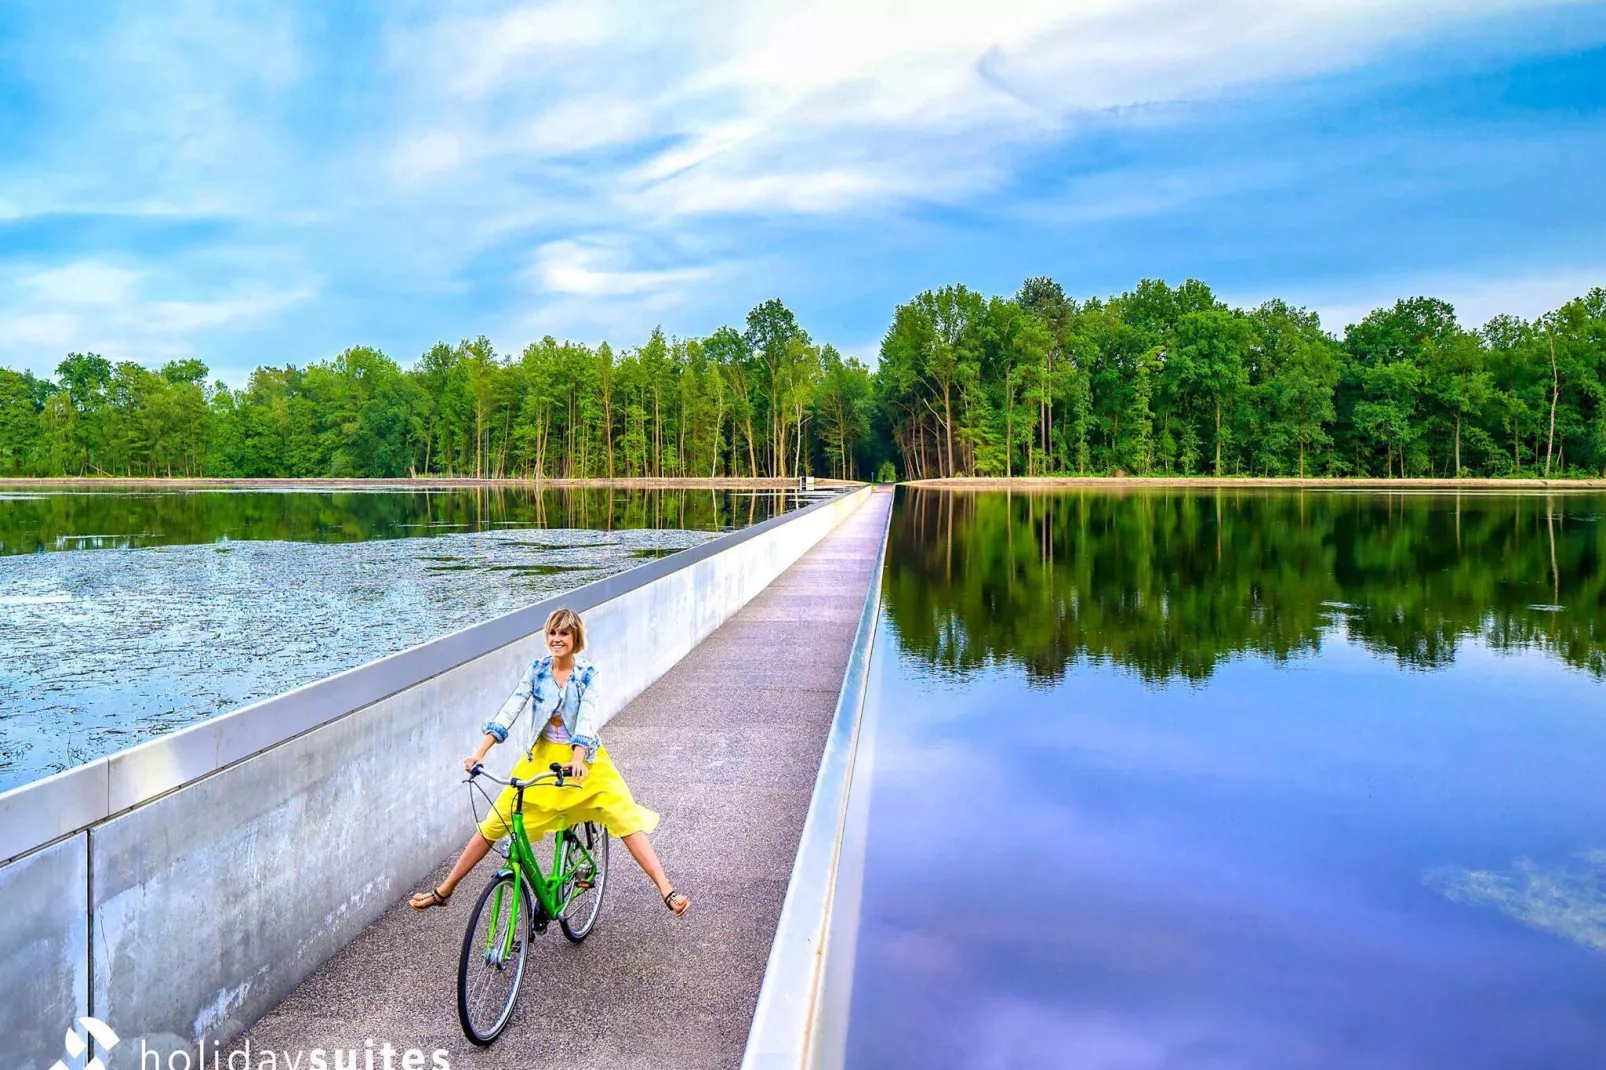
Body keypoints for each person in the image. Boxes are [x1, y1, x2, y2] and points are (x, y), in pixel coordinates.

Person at [409, 607, 691, 917]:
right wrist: (480, 753)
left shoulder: (587, 675)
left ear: (575, 637)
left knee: (624, 818)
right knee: (494, 823)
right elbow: (511, 709)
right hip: (541, 759)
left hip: (583, 762)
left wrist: (579, 758)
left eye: (564, 633)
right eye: (553, 633)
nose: (557, 639)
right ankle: (445, 891)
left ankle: (666, 889)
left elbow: (586, 718)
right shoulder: (537, 671)